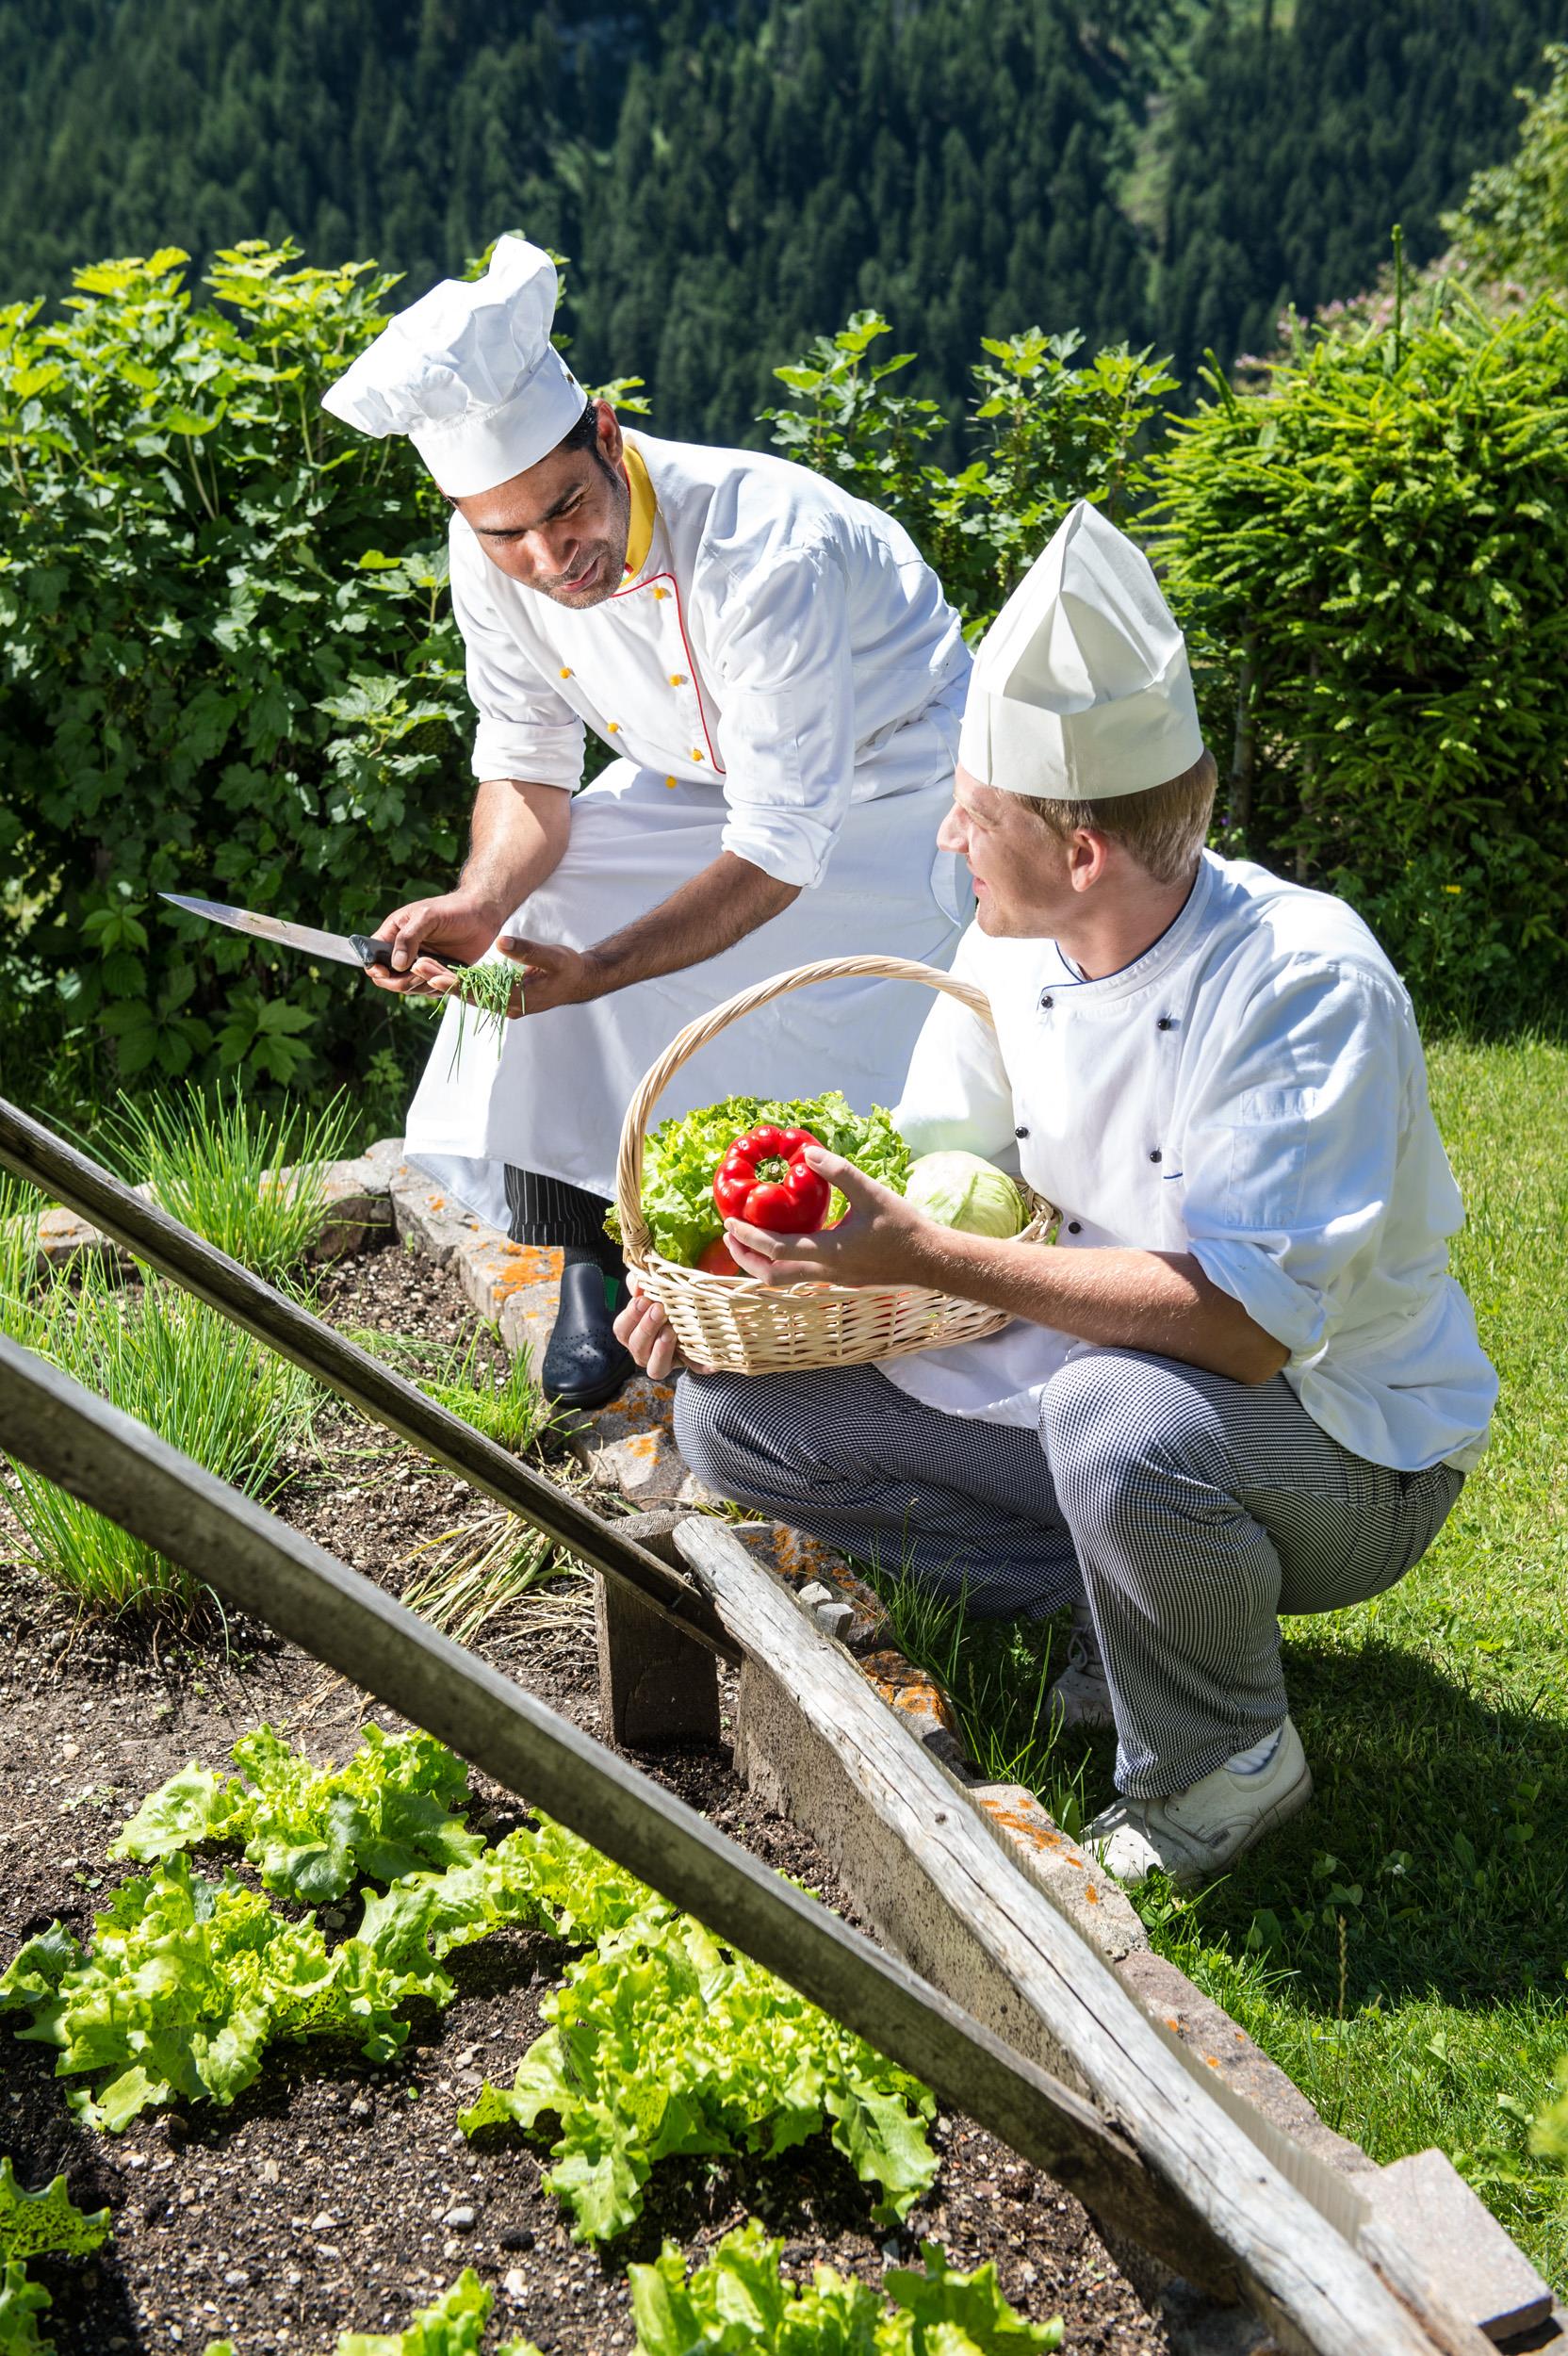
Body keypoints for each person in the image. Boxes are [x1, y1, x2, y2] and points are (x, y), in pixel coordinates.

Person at [614, 500, 1498, 1890]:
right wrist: (739, 1287)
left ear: (1081, 850)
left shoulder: (1300, 983)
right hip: (1103, 1382)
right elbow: (928, 1189)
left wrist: (934, 1262)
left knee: (1115, 1416)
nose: (952, 832)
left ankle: (1223, 1760)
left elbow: (1246, 1330)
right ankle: (1131, 1608)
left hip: (1342, 1449)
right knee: (740, 1421)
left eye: (977, 810)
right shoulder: (1005, 951)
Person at [320, 237, 972, 1408]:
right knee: (541, 906)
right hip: (698, 781)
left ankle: (778, 1262)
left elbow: (780, 837)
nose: (545, 555)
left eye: (562, 510)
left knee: (693, 977)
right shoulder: (496, 558)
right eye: (502, 533)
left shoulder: (762, 546)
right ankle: (590, 1255)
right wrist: (478, 903)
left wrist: (602, 972)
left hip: (893, 787)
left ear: (608, 434)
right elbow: (525, 765)